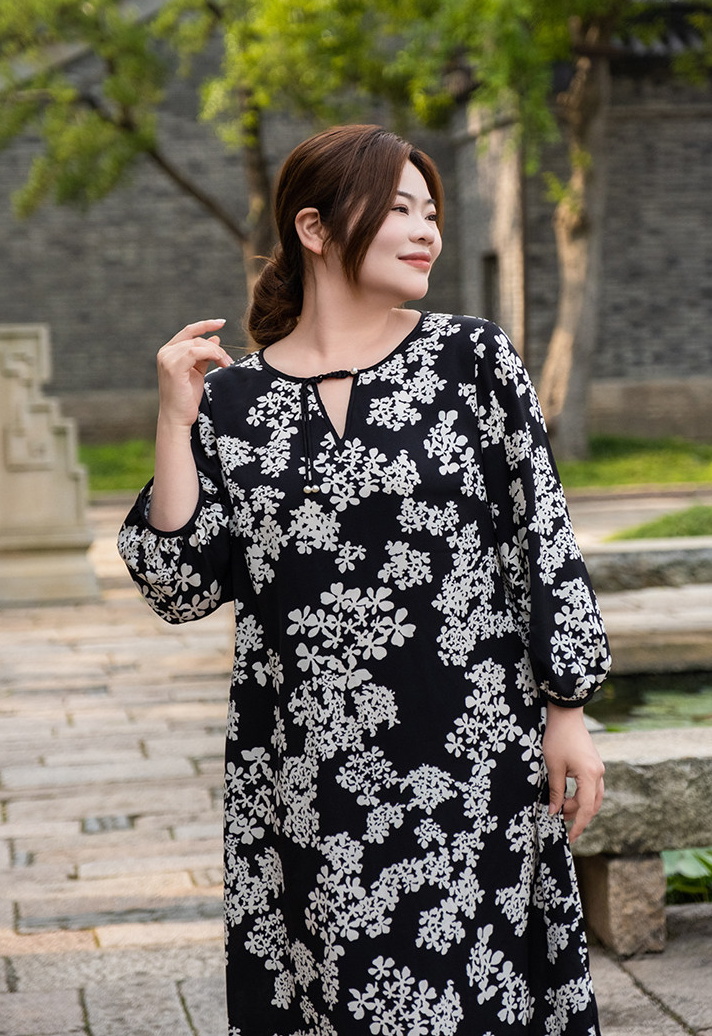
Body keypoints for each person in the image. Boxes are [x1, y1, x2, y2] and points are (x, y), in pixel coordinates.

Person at [118, 124, 611, 1036]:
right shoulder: (234, 402)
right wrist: (174, 420)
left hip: (473, 757)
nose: (427, 231)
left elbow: (540, 537)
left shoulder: (473, 361)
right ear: (314, 227)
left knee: (481, 993)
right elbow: (179, 584)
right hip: (309, 773)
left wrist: (568, 709)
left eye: (432, 212)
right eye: (400, 210)